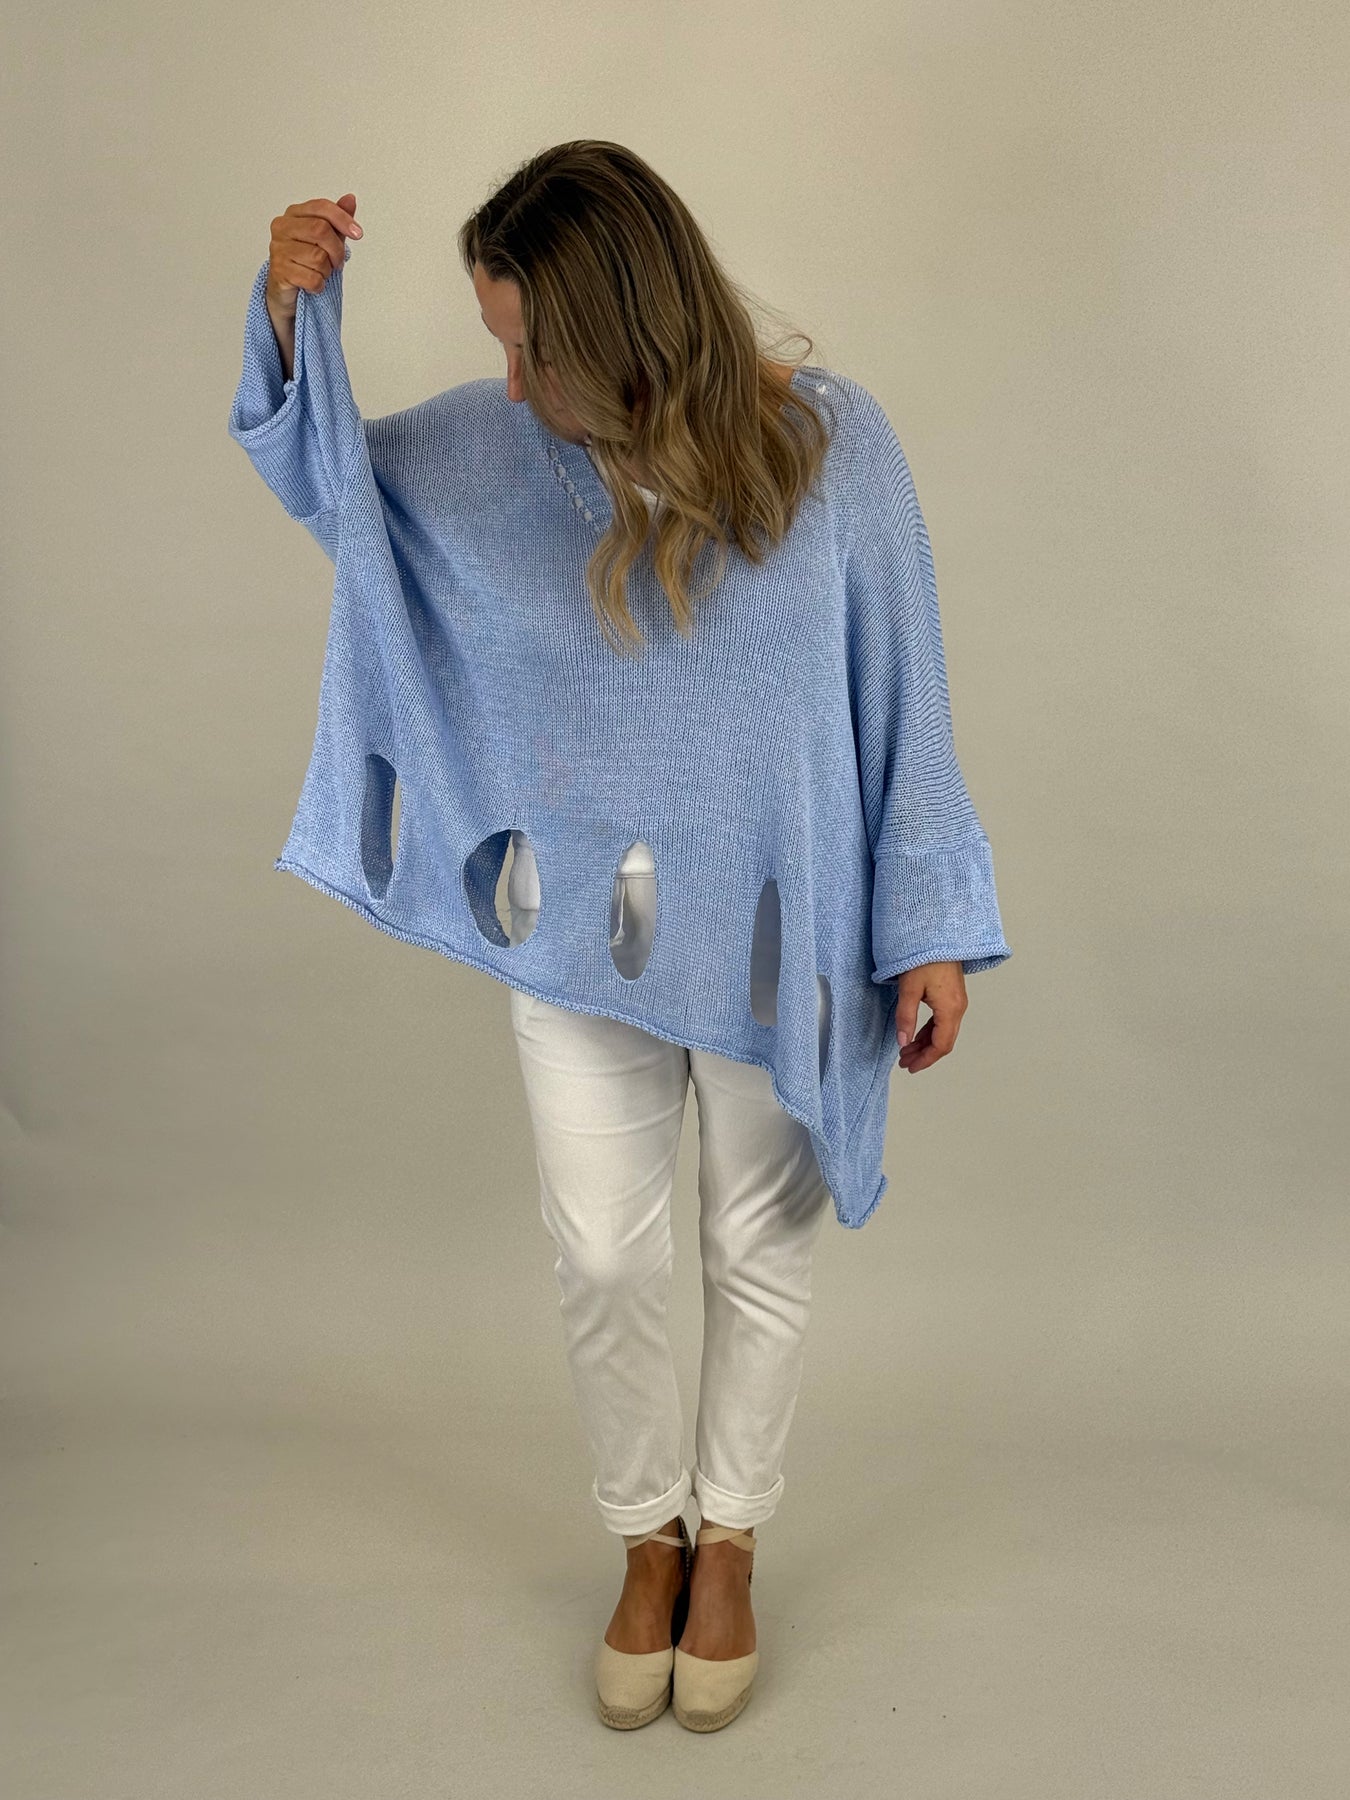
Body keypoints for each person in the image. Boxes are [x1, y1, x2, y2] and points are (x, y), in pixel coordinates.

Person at [228, 139, 1011, 1734]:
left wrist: (928, 923)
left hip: (782, 931)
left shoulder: (828, 445)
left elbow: (905, 692)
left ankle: (731, 1542)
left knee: (755, 1251)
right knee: (600, 1250)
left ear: (628, 324)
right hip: (576, 927)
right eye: (500, 346)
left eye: (534, 347)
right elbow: (336, 494)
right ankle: (646, 1538)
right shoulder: (487, 448)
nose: (511, 385)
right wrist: (290, 314)